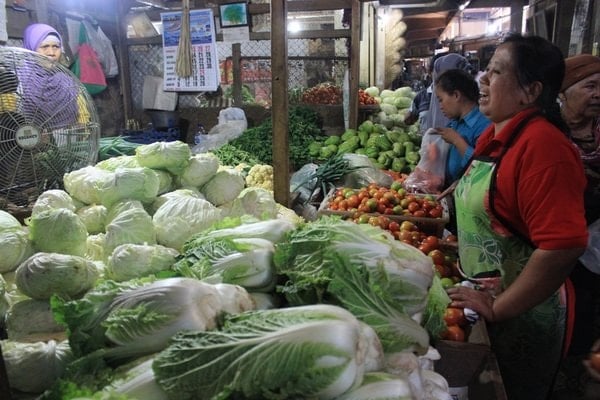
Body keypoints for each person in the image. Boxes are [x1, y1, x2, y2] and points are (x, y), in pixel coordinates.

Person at [445, 33, 589, 400]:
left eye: (496, 72)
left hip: (525, 314)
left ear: (530, 91)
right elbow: (499, 212)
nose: (483, 80)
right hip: (485, 296)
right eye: (485, 70)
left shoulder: (544, 148)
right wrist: (468, 240)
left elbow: (563, 246)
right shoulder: (497, 136)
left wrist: (499, 307)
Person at [554, 54, 600, 396]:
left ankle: (579, 367)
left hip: (595, 244)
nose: (598, 93)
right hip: (556, 240)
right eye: (590, 86)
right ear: (564, 92)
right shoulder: (549, 132)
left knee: (588, 310)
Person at [20, 23, 90, 129]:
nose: (51, 53)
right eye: (45, 47)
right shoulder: (17, 82)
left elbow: (83, 119)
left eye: (56, 47)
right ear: (31, 49)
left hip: (69, 143)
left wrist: (79, 131)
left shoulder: (69, 82)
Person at [432, 68, 490, 184]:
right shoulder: (454, 123)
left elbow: (483, 170)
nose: (440, 106)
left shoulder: (484, 125)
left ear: (456, 95)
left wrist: (457, 140)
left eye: (441, 99)